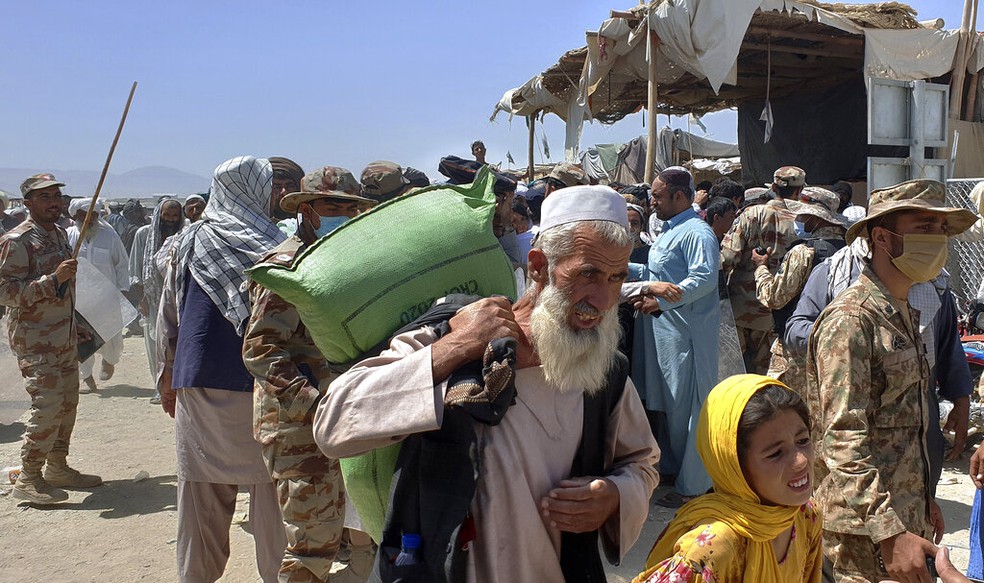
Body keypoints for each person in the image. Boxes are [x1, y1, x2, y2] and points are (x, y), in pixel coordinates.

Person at [314, 185, 659, 582]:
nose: (602, 298)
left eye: (616, 278)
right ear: (539, 266)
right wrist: (455, 347)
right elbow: (333, 424)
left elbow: (642, 464)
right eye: (587, 274)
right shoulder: (454, 331)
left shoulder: (604, 369)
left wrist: (615, 496)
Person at [805, 179, 978, 582]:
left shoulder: (902, 310)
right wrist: (889, 530)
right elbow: (842, 437)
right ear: (883, 238)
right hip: (865, 531)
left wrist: (921, 500)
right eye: (924, 227)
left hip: (902, 517)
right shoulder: (852, 321)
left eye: (942, 230)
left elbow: (902, 426)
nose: (937, 241)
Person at [156, 156, 288, 583]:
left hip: (200, 380)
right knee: (275, 493)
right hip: (270, 382)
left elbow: (169, 315)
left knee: (201, 495)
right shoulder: (280, 245)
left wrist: (166, 373)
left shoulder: (189, 240)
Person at [244, 167, 377, 583]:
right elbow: (260, 349)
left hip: (342, 413)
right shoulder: (286, 268)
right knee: (312, 547)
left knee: (352, 530)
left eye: (349, 206)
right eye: (331, 205)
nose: (342, 213)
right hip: (299, 424)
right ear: (306, 210)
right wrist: (314, 404)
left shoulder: (342, 259)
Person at [633, 374, 822, 583]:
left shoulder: (806, 515)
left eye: (803, 440)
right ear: (734, 466)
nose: (801, 461)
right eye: (775, 454)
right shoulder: (711, 549)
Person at [1, 173, 101, 505]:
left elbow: (65, 291)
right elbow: (6, 292)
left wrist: (75, 322)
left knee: (68, 404)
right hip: (35, 339)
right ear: (28, 203)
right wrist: (50, 280)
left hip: (63, 335)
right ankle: (29, 477)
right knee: (47, 404)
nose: (54, 202)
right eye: (44, 197)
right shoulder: (17, 241)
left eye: (57, 196)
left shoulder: (59, 235)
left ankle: (57, 466)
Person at [627, 167, 720, 508]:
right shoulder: (669, 230)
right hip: (665, 335)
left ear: (680, 197)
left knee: (692, 408)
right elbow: (658, 273)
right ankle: (671, 468)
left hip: (687, 335)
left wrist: (662, 299)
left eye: (657, 196)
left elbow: (705, 279)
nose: (652, 202)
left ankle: (695, 485)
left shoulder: (697, 233)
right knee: (669, 406)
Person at [750, 187, 846, 395]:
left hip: (796, 351)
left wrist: (761, 268)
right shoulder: (849, 250)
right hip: (836, 348)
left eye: (802, 214)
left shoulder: (804, 252)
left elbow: (774, 298)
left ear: (815, 219)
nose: (798, 219)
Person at [721, 166, 804, 374]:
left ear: (774, 187)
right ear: (799, 190)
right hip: (776, 313)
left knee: (734, 373)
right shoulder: (802, 221)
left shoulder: (752, 214)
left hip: (739, 309)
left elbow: (728, 257)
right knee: (764, 376)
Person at [67, 198, 131, 393]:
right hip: (80, 300)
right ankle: (86, 377)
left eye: (92, 215)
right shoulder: (68, 236)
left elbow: (121, 264)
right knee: (81, 338)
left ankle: (109, 360)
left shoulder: (109, 235)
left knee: (112, 336)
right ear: (75, 216)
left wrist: (123, 291)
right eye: (83, 216)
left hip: (107, 296)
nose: (88, 219)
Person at [129, 198, 183, 398]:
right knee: (155, 344)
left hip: (177, 297)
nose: (170, 220)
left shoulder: (183, 235)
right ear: (159, 215)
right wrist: (141, 299)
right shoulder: (143, 234)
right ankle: (159, 388)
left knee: (175, 343)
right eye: (166, 215)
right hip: (152, 298)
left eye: (175, 216)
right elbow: (135, 268)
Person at [275, 166, 361, 237]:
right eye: (333, 209)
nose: (344, 218)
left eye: (352, 210)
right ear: (306, 211)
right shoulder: (291, 257)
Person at [269, 157, 304, 223]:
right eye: (277, 187)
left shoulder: (311, 221)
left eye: (290, 186)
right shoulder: (258, 224)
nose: (284, 192)